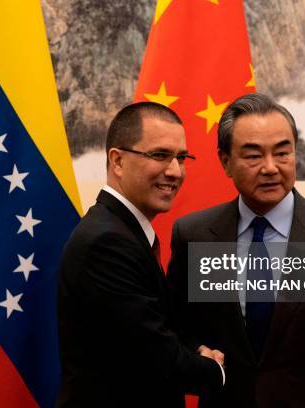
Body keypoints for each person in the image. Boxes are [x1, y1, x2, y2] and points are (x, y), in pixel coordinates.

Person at [167, 93, 305, 407]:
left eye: (283, 153)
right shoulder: (194, 235)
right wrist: (197, 349)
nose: (270, 168)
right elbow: (176, 326)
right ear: (225, 162)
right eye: (253, 155)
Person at [57, 102, 225, 408]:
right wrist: (216, 371)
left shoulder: (123, 232)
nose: (175, 171)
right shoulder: (107, 243)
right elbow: (155, 355)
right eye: (160, 155)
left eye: (182, 158)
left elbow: (151, 328)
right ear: (118, 161)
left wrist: (193, 346)